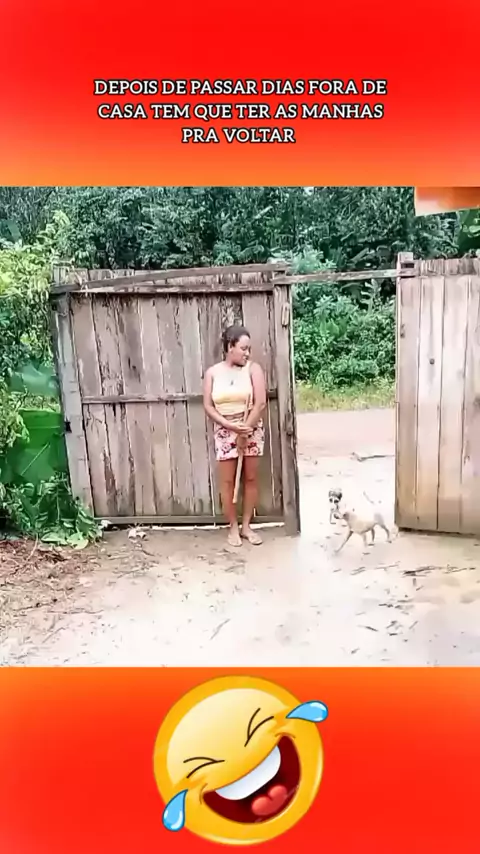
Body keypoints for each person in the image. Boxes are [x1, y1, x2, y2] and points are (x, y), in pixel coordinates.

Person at [203, 324, 266, 547]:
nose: (247, 353)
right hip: (224, 431)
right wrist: (230, 426)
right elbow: (208, 406)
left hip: (250, 429)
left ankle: (246, 526)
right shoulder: (212, 373)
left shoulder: (253, 370)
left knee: (250, 478)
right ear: (230, 347)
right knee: (228, 481)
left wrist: (244, 431)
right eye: (243, 348)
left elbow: (260, 403)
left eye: (249, 349)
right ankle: (232, 527)